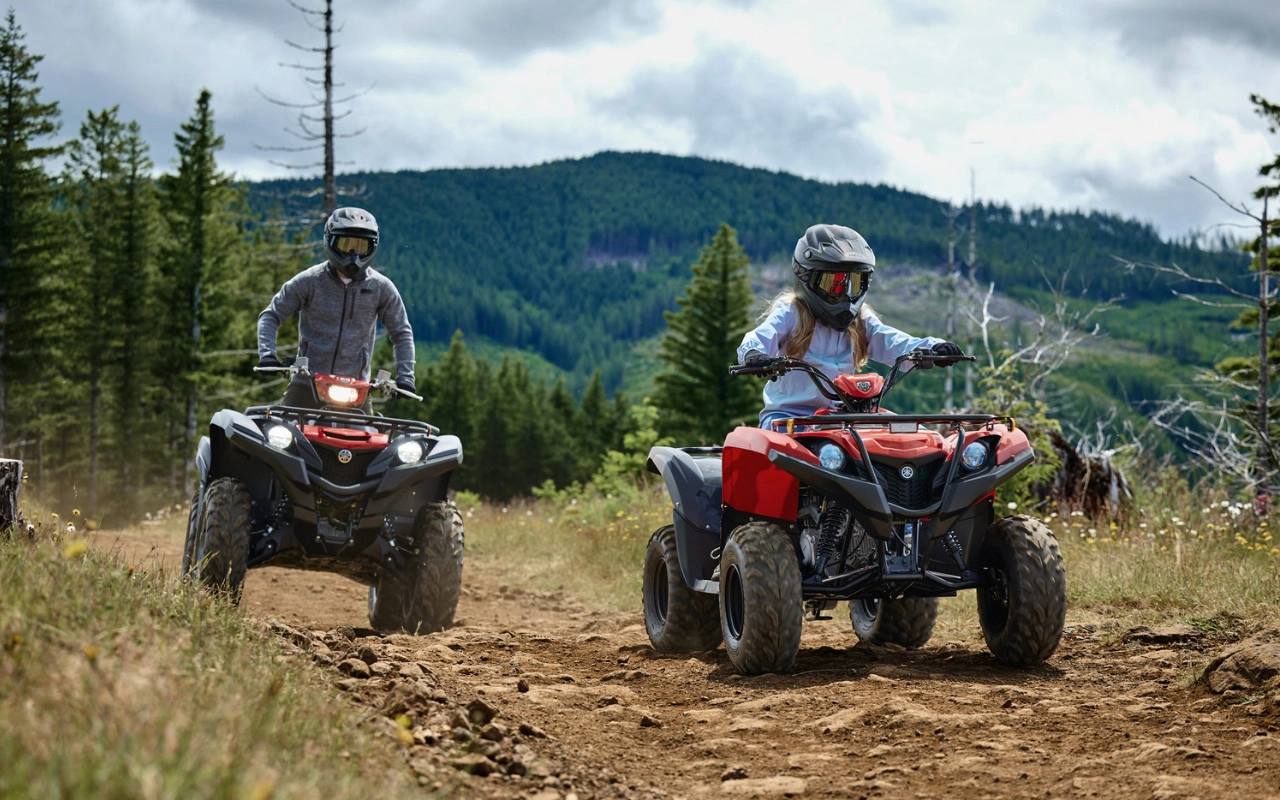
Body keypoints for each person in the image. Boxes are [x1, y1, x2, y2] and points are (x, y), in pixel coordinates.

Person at [737, 223, 963, 429]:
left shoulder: (860, 321)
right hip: (790, 419)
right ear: (806, 277)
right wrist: (754, 354)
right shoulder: (791, 313)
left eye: (853, 283)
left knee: (913, 434)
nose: (845, 293)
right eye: (834, 284)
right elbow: (760, 336)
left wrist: (933, 347)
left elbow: (894, 342)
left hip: (844, 418)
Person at [257, 207, 416, 411]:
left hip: (356, 391)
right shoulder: (310, 281)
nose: (353, 254)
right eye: (345, 244)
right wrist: (267, 355)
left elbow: (401, 333)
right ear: (330, 241)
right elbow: (271, 315)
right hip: (306, 385)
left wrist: (405, 377)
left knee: (373, 441)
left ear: (372, 247)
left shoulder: (381, 288)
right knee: (280, 437)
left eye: (360, 246)